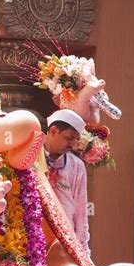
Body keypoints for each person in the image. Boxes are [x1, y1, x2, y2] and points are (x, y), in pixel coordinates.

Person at [44, 109, 90, 256]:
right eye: (69, 138)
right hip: (35, 237)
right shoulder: (31, 156)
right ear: (53, 131)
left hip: (64, 241)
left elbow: (81, 215)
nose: (72, 144)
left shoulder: (76, 166)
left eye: (76, 140)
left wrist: (84, 254)